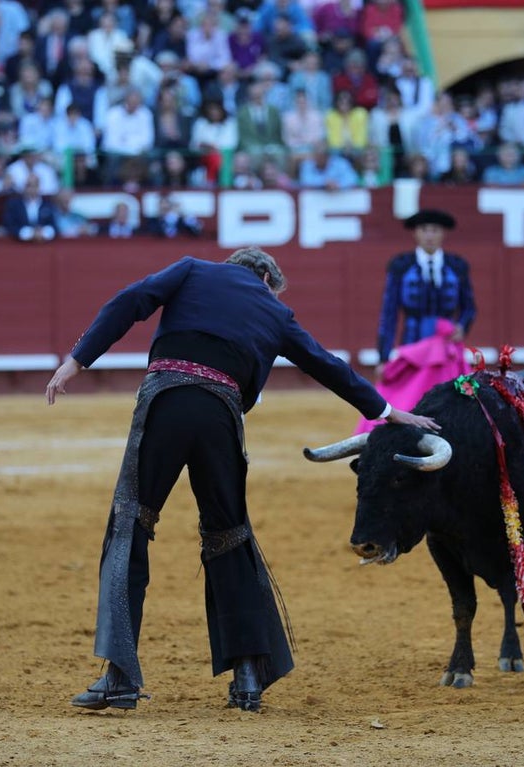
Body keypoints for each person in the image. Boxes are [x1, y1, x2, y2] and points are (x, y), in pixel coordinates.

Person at [45, 247, 439, 714]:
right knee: (228, 535)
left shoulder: (191, 270)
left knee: (131, 524)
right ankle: (248, 677)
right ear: (268, 279)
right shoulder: (275, 310)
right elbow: (327, 365)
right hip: (220, 417)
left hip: (166, 403)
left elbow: (131, 300)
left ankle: (119, 678)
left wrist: (78, 359)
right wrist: (388, 412)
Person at [367, 209, 476, 433]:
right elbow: (389, 314)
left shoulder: (457, 266)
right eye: (424, 230)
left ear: (443, 233)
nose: (429, 235)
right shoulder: (401, 266)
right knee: (409, 403)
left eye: (434, 230)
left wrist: (462, 326)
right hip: (412, 349)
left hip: (446, 350)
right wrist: (383, 357)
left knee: (453, 405)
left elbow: (469, 307)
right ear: (415, 233)